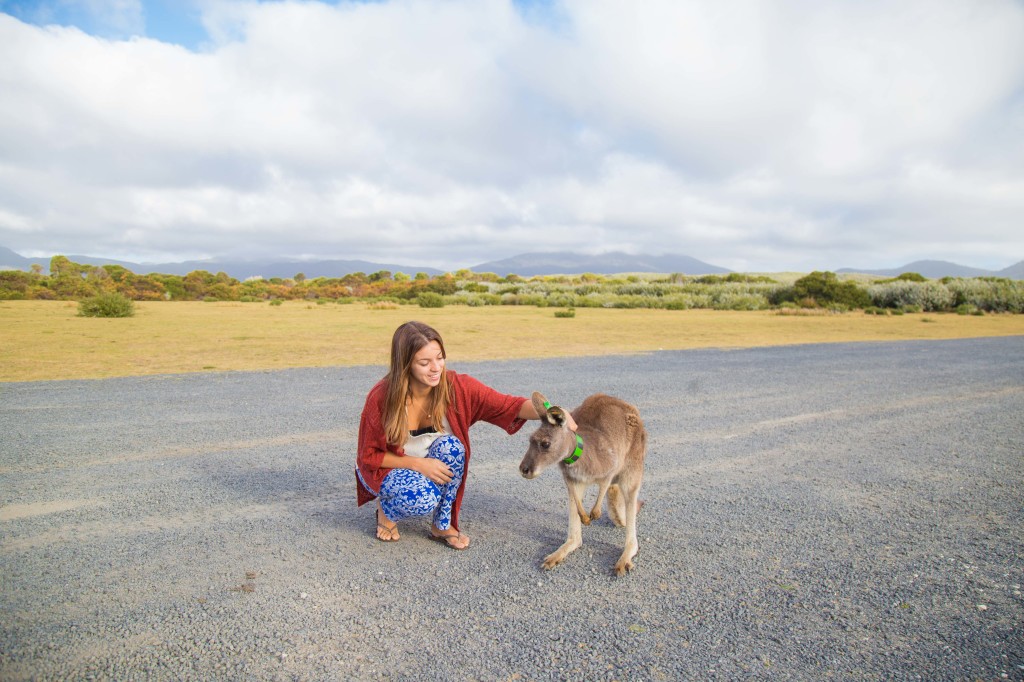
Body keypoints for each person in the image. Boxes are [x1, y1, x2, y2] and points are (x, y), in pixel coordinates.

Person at [355, 320, 576, 550]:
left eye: (440, 358)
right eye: (424, 362)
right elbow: (368, 457)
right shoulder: (382, 398)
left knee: (453, 448)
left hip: (429, 462)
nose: (436, 368)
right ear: (405, 364)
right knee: (422, 499)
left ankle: (442, 524)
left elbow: (509, 406)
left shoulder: (457, 387)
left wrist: (555, 411)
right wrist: (419, 464)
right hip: (389, 468)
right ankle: (386, 511)